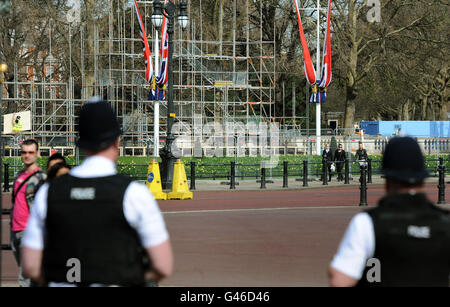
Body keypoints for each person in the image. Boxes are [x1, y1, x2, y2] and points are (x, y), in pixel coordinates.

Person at [21, 97, 173, 286]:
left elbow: (30, 266)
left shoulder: (49, 192)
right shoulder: (134, 193)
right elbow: (163, 265)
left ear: (81, 143)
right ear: (116, 142)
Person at [328, 137, 450, 287]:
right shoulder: (445, 222)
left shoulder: (367, 222)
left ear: (387, 180)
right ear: (422, 179)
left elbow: (340, 280)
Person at [10, 139, 47, 287]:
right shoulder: (18, 177)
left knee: (25, 276)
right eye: (24, 152)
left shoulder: (41, 179)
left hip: (30, 231)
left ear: (38, 154)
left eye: (31, 152)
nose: (27, 155)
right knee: (23, 272)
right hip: (15, 230)